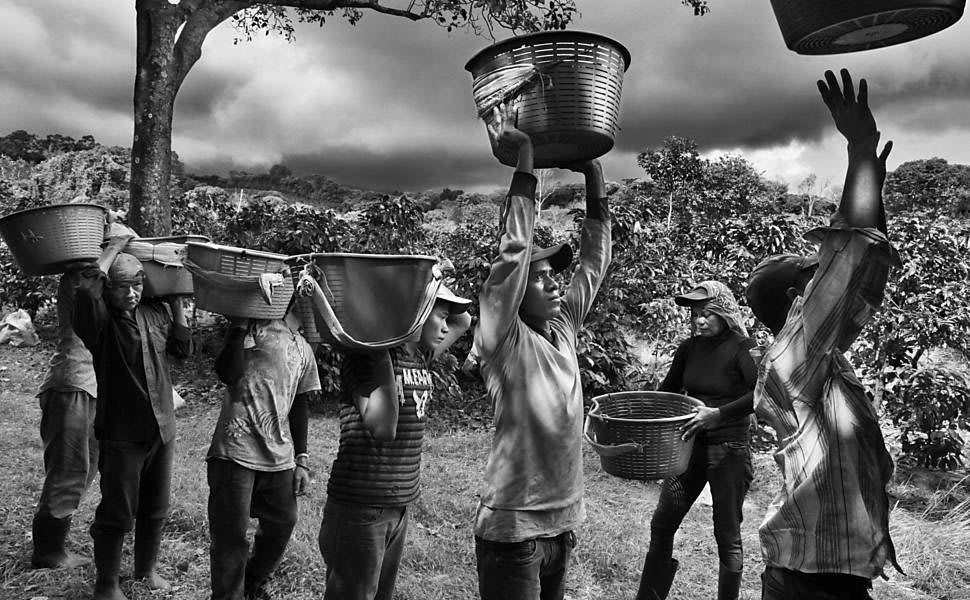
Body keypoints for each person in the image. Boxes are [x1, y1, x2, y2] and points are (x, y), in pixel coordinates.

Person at [745, 69, 901, 599]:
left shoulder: (819, 358)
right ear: (798, 299)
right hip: (811, 581)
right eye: (813, 273)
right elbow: (851, 253)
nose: (825, 275)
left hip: (821, 574)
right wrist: (859, 151)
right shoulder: (795, 356)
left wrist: (871, 182)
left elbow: (864, 268)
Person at [472, 104, 611, 600]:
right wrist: (526, 159)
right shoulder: (502, 339)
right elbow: (513, 254)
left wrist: (593, 175)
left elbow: (593, 264)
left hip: (561, 525)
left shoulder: (562, 327)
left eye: (555, 276)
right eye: (541, 277)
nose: (554, 285)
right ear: (515, 293)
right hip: (514, 533)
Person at [318, 284, 472, 600]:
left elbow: (464, 320)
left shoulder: (420, 354)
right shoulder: (366, 357)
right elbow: (383, 428)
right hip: (361, 505)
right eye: (439, 317)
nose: (446, 327)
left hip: (398, 503)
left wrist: (433, 282)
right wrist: (382, 347)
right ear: (415, 314)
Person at [73, 242, 192, 600]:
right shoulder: (99, 321)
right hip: (122, 432)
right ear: (108, 288)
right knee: (117, 510)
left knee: (155, 506)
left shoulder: (153, 313)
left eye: (137, 285)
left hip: (162, 427)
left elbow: (182, 351)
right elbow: (85, 289)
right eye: (122, 286)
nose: (131, 293)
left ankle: (146, 571)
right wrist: (114, 248)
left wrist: (176, 304)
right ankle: (107, 584)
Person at [635, 281, 757, 600]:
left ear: (724, 312)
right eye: (695, 314)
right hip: (688, 448)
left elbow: (762, 394)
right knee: (663, 523)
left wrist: (718, 414)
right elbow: (667, 391)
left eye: (706, 313)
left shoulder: (743, 348)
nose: (699, 320)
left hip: (728, 450)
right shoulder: (689, 348)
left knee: (727, 534)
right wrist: (639, 417)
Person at [30, 219, 138, 569]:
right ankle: (48, 552)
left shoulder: (101, 275)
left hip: (91, 386)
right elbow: (91, 287)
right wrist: (113, 247)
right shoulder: (81, 276)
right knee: (68, 469)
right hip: (73, 383)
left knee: (85, 467)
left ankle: (54, 544)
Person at [206, 305, 321, 600]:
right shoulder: (257, 326)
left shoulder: (304, 347)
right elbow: (228, 373)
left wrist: (302, 459)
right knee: (230, 536)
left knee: (284, 521)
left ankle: (253, 580)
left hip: (279, 456)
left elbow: (299, 403)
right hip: (235, 450)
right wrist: (238, 328)